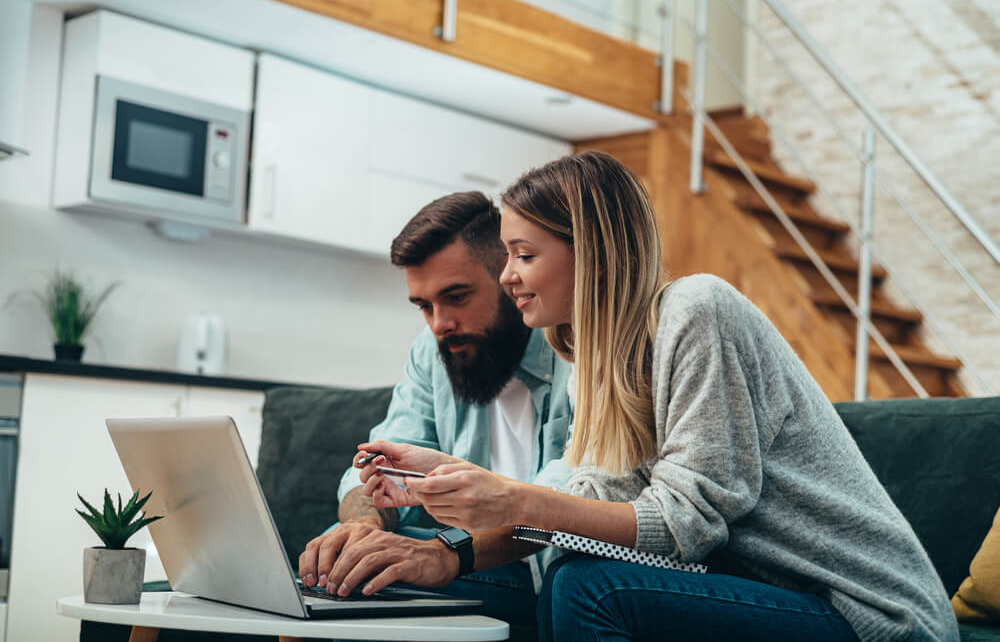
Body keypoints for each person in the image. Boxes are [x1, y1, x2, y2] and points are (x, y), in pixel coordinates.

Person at [344, 152, 959, 642]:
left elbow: (688, 521)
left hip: (860, 609)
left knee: (588, 587)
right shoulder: (589, 352)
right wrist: (457, 508)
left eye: (524, 254)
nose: (508, 276)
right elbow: (580, 512)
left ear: (595, 254)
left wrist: (510, 499)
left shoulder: (698, 310)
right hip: (756, 589)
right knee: (538, 572)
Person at [297, 190, 574, 627]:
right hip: (477, 564)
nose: (438, 324)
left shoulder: (574, 351)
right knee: (346, 553)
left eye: (457, 297)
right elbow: (377, 468)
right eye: (424, 306)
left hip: (555, 568)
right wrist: (365, 525)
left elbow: (567, 510)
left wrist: (446, 552)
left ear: (508, 275)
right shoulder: (432, 352)